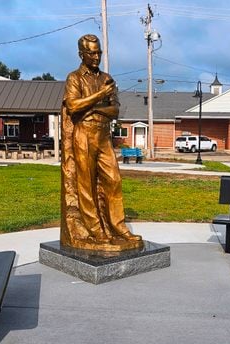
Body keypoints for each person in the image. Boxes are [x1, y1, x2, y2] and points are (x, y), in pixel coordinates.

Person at [60, 34, 143, 251]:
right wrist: (99, 97)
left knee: (113, 180)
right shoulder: (74, 78)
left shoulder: (107, 79)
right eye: (92, 53)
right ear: (82, 54)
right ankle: (95, 230)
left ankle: (118, 227)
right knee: (85, 184)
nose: (96, 57)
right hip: (84, 134)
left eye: (99, 52)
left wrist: (95, 108)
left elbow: (114, 110)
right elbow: (73, 106)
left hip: (103, 135)